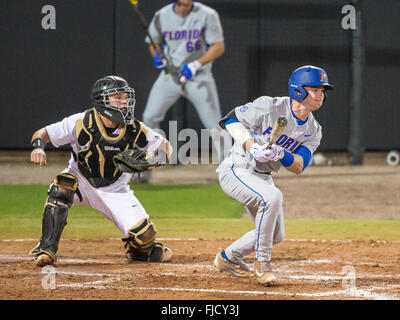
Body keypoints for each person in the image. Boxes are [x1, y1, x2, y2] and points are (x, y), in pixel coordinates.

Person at [29, 75, 173, 267]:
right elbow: (42, 133)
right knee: (62, 186)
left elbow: (166, 148)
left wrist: (151, 161)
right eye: (118, 97)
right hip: (80, 179)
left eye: (125, 97)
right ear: (102, 100)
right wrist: (38, 147)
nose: (124, 102)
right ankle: (46, 248)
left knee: (144, 236)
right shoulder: (80, 122)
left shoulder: (135, 129)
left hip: (115, 189)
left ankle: (142, 253)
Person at [213, 65, 334, 285]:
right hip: (236, 169)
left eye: (322, 91)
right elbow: (229, 120)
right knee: (273, 197)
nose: (320, 95)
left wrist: (280, 152)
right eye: (315, 89)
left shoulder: (314, 130)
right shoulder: (269, 106)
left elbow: (298, 166)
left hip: (262, 178)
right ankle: (263, 265)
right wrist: (252, 146)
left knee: (276, 235)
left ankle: (228, 258)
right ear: (298, 90)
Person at [142, 0, 225, 165]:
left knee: (215, 124)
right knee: (149, 117)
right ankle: (148, 163)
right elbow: (153, 43)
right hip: (170, 76)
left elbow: (218, 46)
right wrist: (156, 56)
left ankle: (231, 166)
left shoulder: (207, 14)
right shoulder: (162, 15)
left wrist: (196, 64)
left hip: (198, 76)